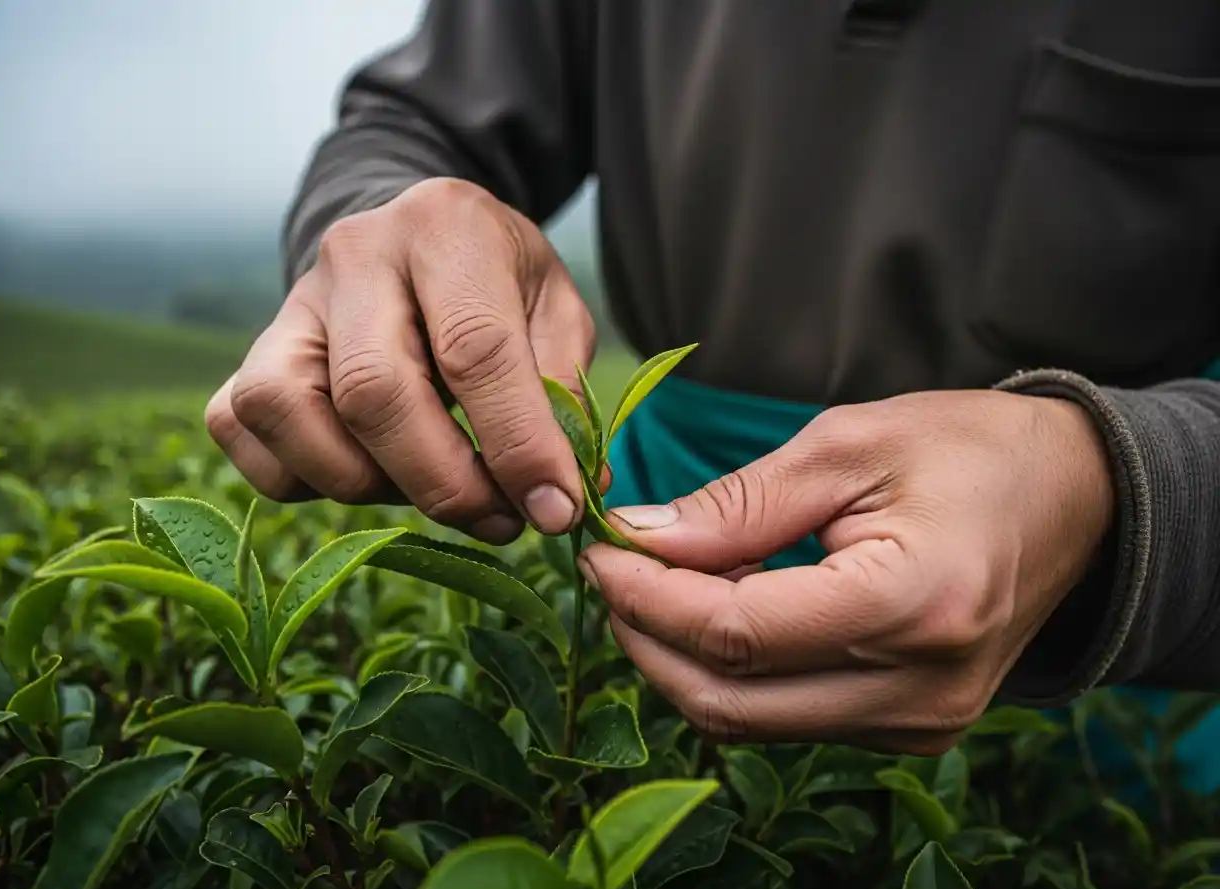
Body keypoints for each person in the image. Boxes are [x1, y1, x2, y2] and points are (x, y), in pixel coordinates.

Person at [205, 1, 1220, 791]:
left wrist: (1123, 492)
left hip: (1123, 670)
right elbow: (417, 119)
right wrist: (384, 229)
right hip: (655, 610)